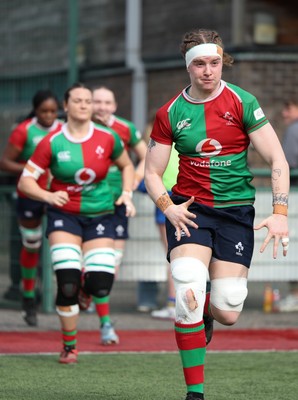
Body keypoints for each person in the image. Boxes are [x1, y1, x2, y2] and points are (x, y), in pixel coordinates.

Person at [144, 28, 289, 400]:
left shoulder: (243, 101)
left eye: (214, 62)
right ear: (188, 68)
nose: (208, 70)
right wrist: (168, 207)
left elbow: (277, 158)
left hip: (235, 213)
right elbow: (151, 173)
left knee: (228, 308)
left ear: (221, 63)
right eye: (199, 64)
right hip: (190, 212)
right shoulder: (170, 113)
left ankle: (209, 307)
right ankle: (195, 392)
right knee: (188, 285)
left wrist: (280, 212)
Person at [18, 82, 135, 364]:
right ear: (66, 106)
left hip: (100, 215)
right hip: (65, 217)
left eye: (88, 101)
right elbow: (25, 181)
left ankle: (87, 289)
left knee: (101, 285)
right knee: (67, 283)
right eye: (78, 100)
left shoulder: (108, 138)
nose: (84, 105)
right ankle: (69, 346)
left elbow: (127, 165)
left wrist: (127, 195)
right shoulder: (52, 142)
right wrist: (48, 195)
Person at [0, 89, 62, 326]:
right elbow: (4, 162)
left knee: (62, 243)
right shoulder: (24, 130)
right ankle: (28, 298)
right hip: (30, 194)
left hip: (58, 193)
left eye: (52, 111)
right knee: (32, 244)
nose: (48, 115)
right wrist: (32, 168)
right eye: (43, 111)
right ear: (35, 111)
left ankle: (65, 295)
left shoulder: (64, 129)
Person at [91, 85, 147, 343]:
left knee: (114, 257)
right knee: (88, 256)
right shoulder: (80, 129)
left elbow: (146, 155)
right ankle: (91, 295)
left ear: (114, 106)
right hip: (89, 201)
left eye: (106, 102)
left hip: (119, 199)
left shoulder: (125, 128)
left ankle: (100, 298)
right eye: (97, 102)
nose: (101, 106)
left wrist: (134, 179)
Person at [279, 99, 298, 312]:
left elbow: (287, 161)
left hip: (295, 195)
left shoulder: (294, 129)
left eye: (289, 107)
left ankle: (295, 295)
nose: (285, 113)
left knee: (293, 246)